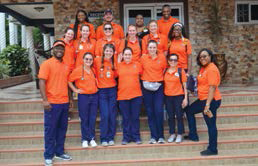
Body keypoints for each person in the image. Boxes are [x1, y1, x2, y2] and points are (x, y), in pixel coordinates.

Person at [38, 40, 73, 166]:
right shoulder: (46, 64)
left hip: (64, 102)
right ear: (53, 50)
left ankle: (59, 152)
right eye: (57, 48)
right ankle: (48, 155)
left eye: (62, 48)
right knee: (50, 130)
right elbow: (41, 82)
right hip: (52, 103)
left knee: (62, 129)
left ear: (64, 51)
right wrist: (45, 100)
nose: (59, 50)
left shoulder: (66, 65)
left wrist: (70, 99)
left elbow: (67, 83)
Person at [185, 48, 222, 156]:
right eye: (200, 57)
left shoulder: (211, 69)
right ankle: (193, 135)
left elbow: (212, 88)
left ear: (210, 56)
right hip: (203, 99)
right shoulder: (204, 68)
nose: (202, 58)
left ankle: (213, 149)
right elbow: (202, 84)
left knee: (211, 125)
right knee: (189, 111)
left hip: (211, 100)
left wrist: (207, 105)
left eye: (205, 56)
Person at [68, 52, 98, 148]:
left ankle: (92, 138)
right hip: (84, 97)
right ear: (83, 60)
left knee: (92, 118)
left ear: (92, 61)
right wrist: (75, 90)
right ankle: (84, 139)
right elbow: (69, 81)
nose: (88, 61)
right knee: (84, 118)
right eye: (86, 59)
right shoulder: (78, 70)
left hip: (94, 96)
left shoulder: (93, 70)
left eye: (90, 59)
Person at [140, 40, 167, 144]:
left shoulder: (162, 58)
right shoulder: (143, 58)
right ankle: (153, 136)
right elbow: (140, 70)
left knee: (159, 111)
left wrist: (157, 79)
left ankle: (160, 136)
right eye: (150, 47)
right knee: (150, 112)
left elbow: (164, 69)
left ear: (157, 48)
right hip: (147, 87)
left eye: (153, 47)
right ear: (147, 48)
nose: (152, 49)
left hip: (158, 87)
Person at [117, 47, 143, 145]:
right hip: (123, 96)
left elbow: (142, 75)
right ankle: (126, 137)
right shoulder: (119, 66)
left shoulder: (137, 65)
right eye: (126, 54)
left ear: (132, 56)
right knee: (126, 118)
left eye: (129, 54)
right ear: (123, 56)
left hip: (136, 95)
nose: (127, 56)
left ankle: (136, 137)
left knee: (135, 117)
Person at [94, 44, 117, 146]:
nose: (108, 53)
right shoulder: (97, 60)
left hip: (112, 90)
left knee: (112, 115)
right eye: (107, 51)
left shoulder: (114, 62)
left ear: (113, 53)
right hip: (102, 91)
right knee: (105, 114)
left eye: (110, 51)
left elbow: (117, 75)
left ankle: (111, 137)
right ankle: (104, 138)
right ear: (103, 51)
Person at [164, 54, 188, 143]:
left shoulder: (181, 71)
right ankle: (172, 133)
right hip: (168, 97)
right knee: (170, 116)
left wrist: (185, 98)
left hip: (178, 96)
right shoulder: (165, 71)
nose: (173, 62)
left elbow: (185, 86)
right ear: (168, 61)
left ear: (177, 61)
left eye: (175, 60)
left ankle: (180, 134)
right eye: (171, 60)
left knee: (179, 116)